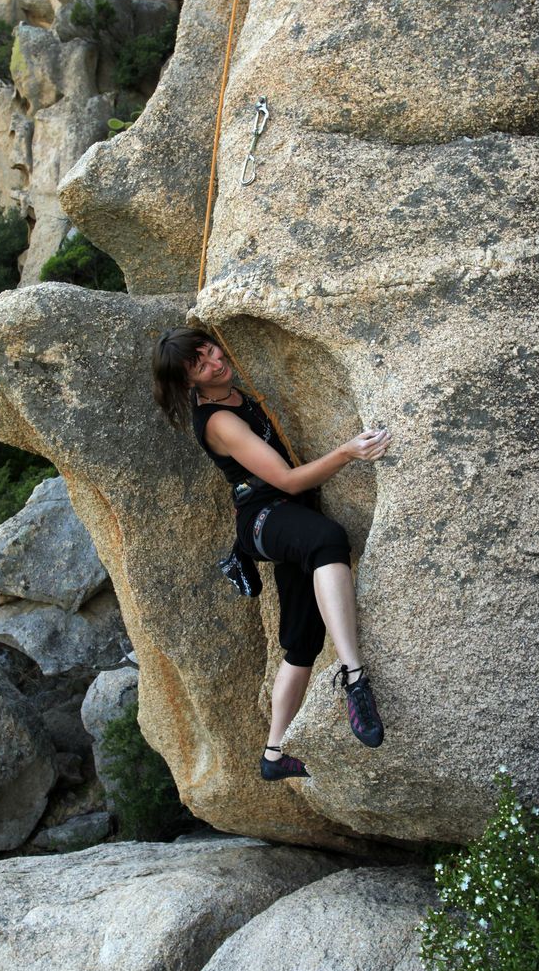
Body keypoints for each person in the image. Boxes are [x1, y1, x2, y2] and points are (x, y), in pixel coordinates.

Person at [152, 327, 392, 781]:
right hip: (265, 517)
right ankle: (355, 678)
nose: (215, 363)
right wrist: (346, 452)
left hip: (285, 517)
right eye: (200, 366)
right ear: (189, 383)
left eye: (210, 352)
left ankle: (274, 754)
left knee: (303, 642)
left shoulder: (232, 392)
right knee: (327, 540)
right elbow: (288, 481)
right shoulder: (219, 421)